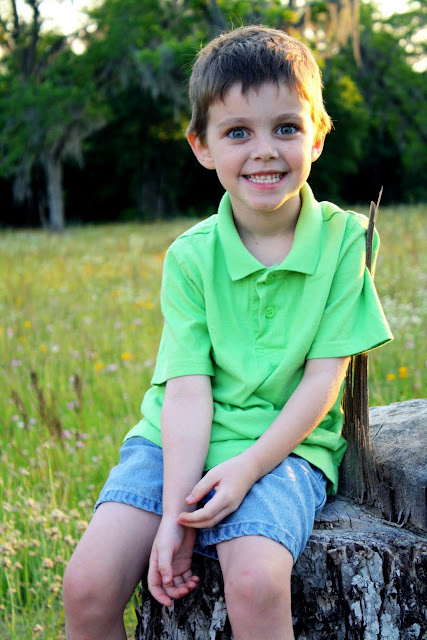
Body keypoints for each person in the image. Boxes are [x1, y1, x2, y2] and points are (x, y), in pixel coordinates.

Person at [63, 25, 393, 640]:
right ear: (203, 146)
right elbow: (187, 391)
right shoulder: (191, 257)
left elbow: (324, 381)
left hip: (282, 448)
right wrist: (175, 513)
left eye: (286, 128)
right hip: (171, 442)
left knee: (255, 584)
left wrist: (247, 468)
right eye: (238, 132)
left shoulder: (346, 241)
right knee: (86, 587)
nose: (264, 151)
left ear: (317, 136)